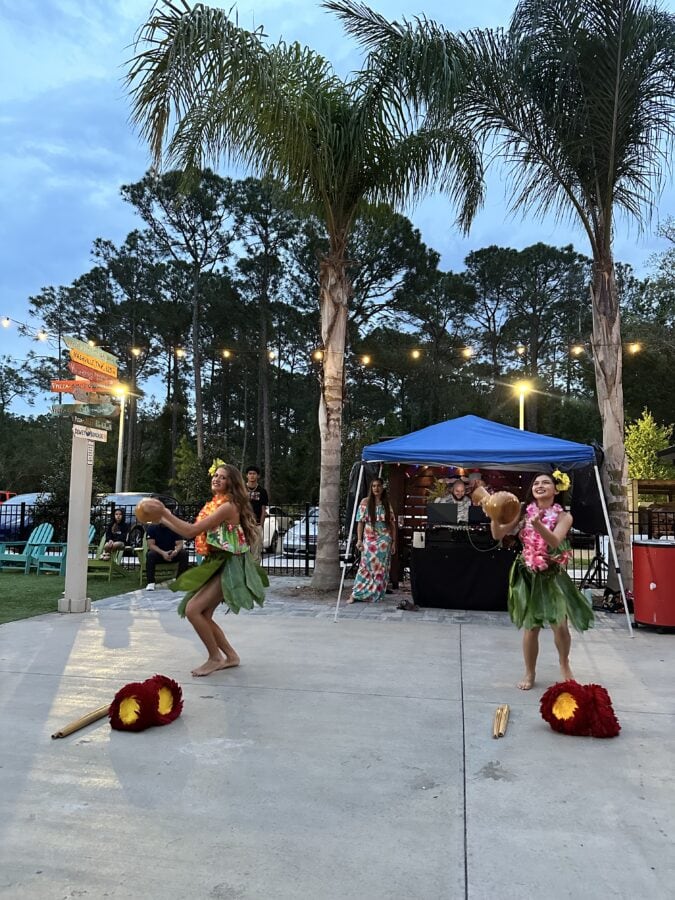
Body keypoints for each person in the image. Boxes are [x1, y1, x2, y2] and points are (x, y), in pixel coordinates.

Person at [151, 460, 268, 677]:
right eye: (216, 475)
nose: (217, 479)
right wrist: (162, 519)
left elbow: (191, 531)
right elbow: (190, 531)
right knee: (203, 613)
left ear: (231, 483)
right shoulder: (218, 502)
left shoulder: (227, 506)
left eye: (223, 477)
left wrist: (165, 515)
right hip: (217, 561)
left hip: (229, 565)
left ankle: (215, 658)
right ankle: (231, 656)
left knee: (193, 610)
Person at [490, 471, 593, 691]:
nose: (540, 485)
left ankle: (564, 664)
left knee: (561, 626)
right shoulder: (524, 512)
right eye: (536, 483)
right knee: (531, 627)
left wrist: (538, 526)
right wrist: (493, 516)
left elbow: (555, 540)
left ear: (556, 490)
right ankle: (529, 672)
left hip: (553, 574)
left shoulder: (564, 517)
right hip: (528, 574)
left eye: (546, 482)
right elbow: (498, 535)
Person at [347, 478, 396, 604]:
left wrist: (394, 542)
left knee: (380, 569)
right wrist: (359, 540)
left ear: (382, 487)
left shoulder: (386, 503)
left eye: (378, 486)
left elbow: (392, 524)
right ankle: (356, 593)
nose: (376, 488)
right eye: (373, 486)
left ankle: (375, 594)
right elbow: (360, 523)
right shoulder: (365, 502)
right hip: (369, 539)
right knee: (365, 566)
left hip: (384, 540)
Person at [145, 521, 189, 590]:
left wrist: (175, 551)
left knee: (184, 553)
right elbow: (151, 545)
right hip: (158, 554)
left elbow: (180, 544)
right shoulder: (152, 527)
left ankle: (179, 580)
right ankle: (151, 583)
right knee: (150, 554)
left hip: (172, 554)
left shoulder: (175, 527)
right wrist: (163, 553)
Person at [246, 465, 269, 559]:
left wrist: (261, 526)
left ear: (258, 476)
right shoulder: (241, 489)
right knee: (242, 551)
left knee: (256, 552)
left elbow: (264, 509)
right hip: (243, 524)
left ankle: (255, 572)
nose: (252, 476)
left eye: (254, 474)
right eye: (250, 474)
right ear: (246, 475)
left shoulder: (262, 491)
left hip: (257, 524)